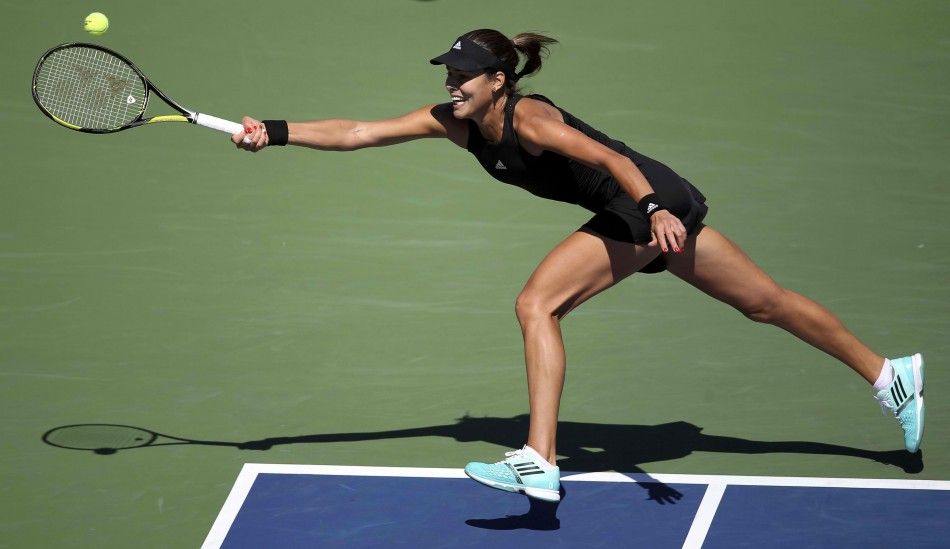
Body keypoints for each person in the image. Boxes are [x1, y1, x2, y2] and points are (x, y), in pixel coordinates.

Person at [232, 29, 925, 502]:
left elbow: (613, 160)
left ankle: (540, 457)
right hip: (651, 207)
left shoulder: (530, 117)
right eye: (447, 73)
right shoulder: (454, 119)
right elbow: (359, 132)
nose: (451, 82)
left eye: (461, 74)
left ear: (498, 80)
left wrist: (653, 208)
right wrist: (279, 131)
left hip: (642, 201)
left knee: (538, 303)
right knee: (764, 302)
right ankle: (890, 375)